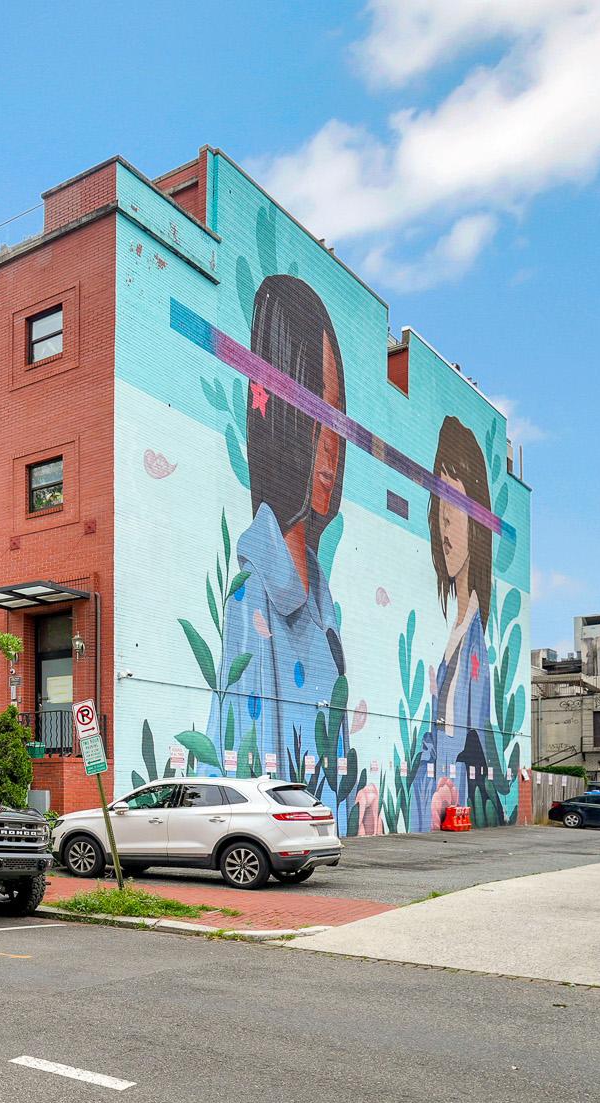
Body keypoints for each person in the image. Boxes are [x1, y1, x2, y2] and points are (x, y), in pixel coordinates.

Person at [205, 275, 350, 818]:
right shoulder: (254, 595)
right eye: (319, 418)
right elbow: (239, 767)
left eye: (339, 421)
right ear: (284, 423)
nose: (331, 449)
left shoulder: (321, 604)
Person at [410, 417, 497, 829]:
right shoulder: (458, 633)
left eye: (454, 514)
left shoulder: (474, 644)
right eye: (439, 514)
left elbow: (466, 743)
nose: (445, 532)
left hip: (447, 803)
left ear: (477, 523)